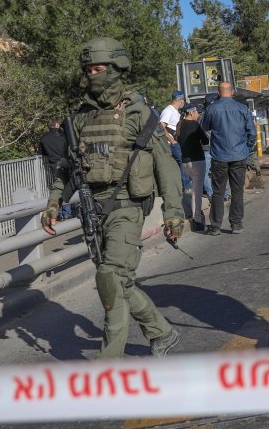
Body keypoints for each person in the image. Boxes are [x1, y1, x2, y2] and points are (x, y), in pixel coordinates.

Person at [40, 37, 184, 358]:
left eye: (99, 68)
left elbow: (166, 166)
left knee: (110, 278)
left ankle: (109, 367)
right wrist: (54, 202)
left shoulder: (139, 113)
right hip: (93, 209)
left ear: (117, 68)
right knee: (120, 283)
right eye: (88, 69)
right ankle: (162, 332)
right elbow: (67, 167)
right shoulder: (81, 117)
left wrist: (174, 213)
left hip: (128, 207)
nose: (92, 74)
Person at [200, 82, 256, 236]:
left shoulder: (211, 109)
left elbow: (204, 128)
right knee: (237, 191)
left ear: (218, 93)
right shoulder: (242, 108)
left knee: (218, 191)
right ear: (232, 92)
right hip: (239, 155)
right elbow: (252, 132)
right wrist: (247, 149)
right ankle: (236, 224)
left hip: (219, 155)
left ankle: (216, 226)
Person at [177, 103, 209, 231]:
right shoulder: (195, 125)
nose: (199, 115)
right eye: (197, 112)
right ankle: (197, 220)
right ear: (191, 112)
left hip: (185, 162)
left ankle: (194, 214)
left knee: (194, 189)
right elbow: (206, 140)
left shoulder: (180, 124)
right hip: (197, 160)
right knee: (197, 191)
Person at [38, 119, 72, 220]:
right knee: (67, 188)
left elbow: (42, 152)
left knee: (56, 188)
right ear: (57, 125)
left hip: (53, 165)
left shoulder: (44, 138)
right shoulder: (64, 136)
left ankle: (59, 213)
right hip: (66, 164)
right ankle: (67, 213)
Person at [160, 91, 192, 194]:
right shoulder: (168, 111)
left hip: (177, 143)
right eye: (183, 100)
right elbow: (161, 126)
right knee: (183, 162)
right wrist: (172, 140)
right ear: (180, 100)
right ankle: (187, 187)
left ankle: (183, 186)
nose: (184, 102)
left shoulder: (175, 111)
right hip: (172, 144)